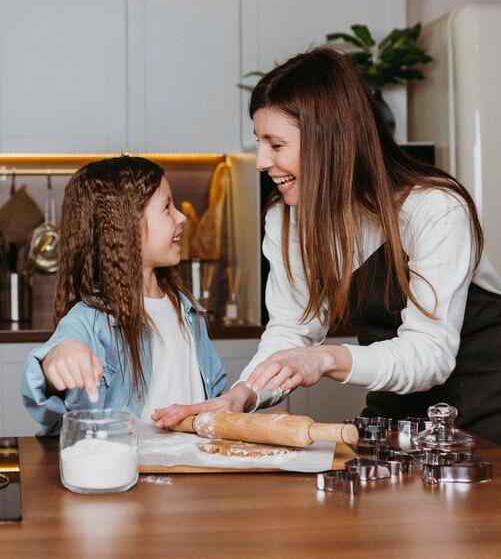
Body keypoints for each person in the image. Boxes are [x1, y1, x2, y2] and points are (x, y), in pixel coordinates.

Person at [153, 46, 501, 445]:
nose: (260, 161)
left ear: (330, 141)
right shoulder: (288, 220)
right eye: (259, 142)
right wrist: (242, 395)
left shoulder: (434, 208)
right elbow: (292, 331)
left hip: (483, 407)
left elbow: (431, 354)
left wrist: (327, 358)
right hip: (394, 410)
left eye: (276, 144)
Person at [22, 156, 227, 435]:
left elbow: (214, 399)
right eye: (167, 207)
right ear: (125, 224)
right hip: (129, 475)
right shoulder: (90, 320)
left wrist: (246, 415)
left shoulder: (189, 310)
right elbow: (44, 392)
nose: (181, 217)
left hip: (194, 470)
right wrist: (56, 359)